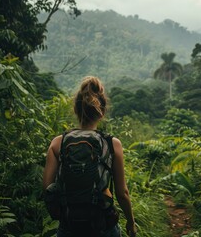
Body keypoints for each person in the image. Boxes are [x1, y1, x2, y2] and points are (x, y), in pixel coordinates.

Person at [43, 76, 136, 237]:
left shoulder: (58, 143)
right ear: (102, 111)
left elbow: (47, 189)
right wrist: (131, 222)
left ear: (76, 110)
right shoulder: (112, 144)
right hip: (103, 227)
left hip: (69, 227)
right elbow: (122, 193)